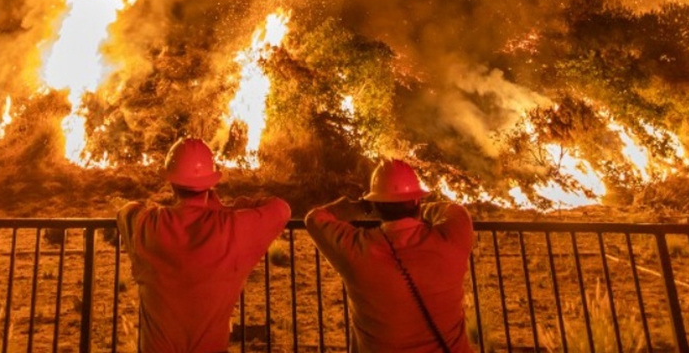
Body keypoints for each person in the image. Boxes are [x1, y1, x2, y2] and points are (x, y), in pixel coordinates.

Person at [117, 137, 291, 352]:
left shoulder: (150, 225)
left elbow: (126, 211)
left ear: (171, 182)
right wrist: (228, 209)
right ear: (211, 183)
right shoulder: (232, 228)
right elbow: (281, 208)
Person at [305, 159, 474, 353]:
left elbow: (314, 218)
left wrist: (362, 207)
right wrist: (418, 210)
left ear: (375, 205)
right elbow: (455, 211)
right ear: (417, 201)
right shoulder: (452, 239)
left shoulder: (356, 250)